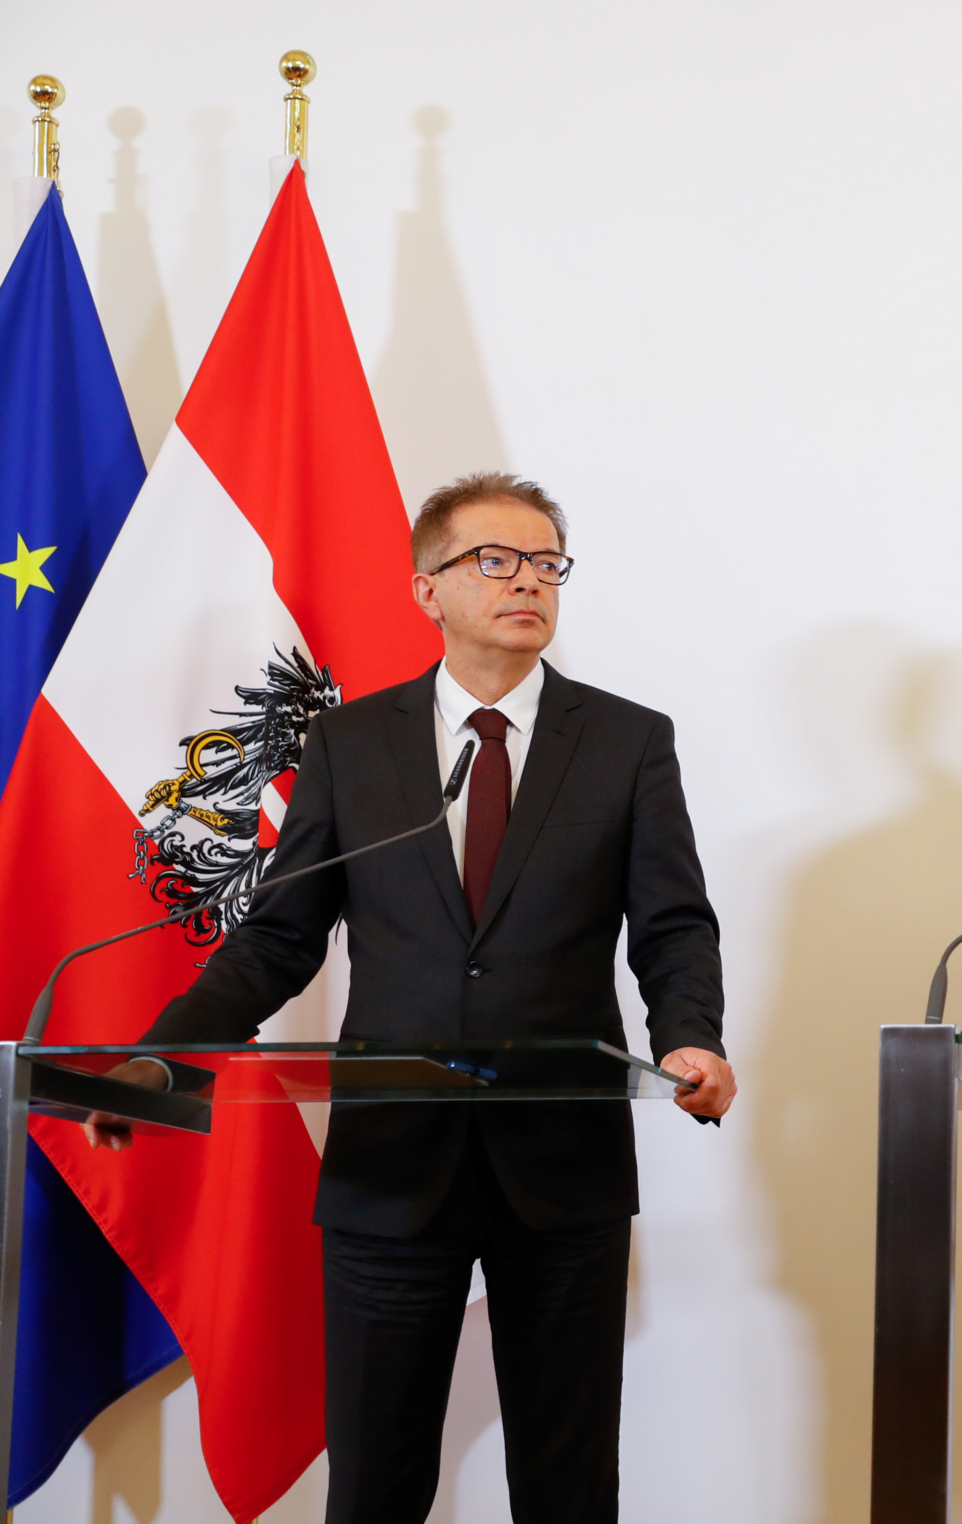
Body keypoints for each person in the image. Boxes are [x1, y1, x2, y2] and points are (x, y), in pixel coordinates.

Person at [91, 472, 734, 1524]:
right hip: (392, 1169)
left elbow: (671, 925)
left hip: (561, 1165)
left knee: (568, 1484)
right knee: (378, 1480)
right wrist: (161, 1062)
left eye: (545, 563)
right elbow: (280, 941)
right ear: (426, 588)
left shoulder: (625, 742)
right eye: (495, 559)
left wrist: (692, 1040)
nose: (527, 581)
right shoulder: (352, 745)